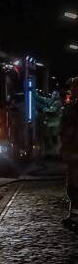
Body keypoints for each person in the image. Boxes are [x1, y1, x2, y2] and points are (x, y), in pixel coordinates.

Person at [61, 80, 78, 231]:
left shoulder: (73, 109)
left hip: (75, 151)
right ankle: (73, 215)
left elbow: (68, 131)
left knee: (74, 186)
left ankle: (74, 217)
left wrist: (65, 148)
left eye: (73, 87)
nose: (70, 90)